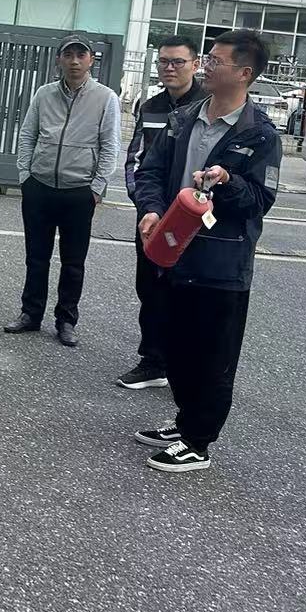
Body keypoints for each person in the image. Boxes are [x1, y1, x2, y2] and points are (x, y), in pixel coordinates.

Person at [132, 29, 281, 473]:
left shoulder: (260, 135)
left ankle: (198, 442)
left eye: (216, 61)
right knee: (174, 346)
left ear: (244, 73)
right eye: (208, 59)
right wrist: (152, 209)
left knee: (212, 356)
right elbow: (151, 171)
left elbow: (260, 201)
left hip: (221, 263)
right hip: (171, 251)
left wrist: (229, 182)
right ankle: (185, 421)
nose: (206, 67)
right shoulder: (184, 118)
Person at [4, 33, 121, 348]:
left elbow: (110, 145)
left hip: (79, 191)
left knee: (73, 262)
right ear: (59, 60)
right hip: (40, 187)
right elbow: (28, 134)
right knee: (36, 257)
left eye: (81, 55)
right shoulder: (44, 94)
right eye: (68, 55)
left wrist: (96, 187)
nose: (74, 61)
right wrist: (25, 175)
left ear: (91, 60)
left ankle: (66, 320)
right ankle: (31, 314)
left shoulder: (105, 98)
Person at [116, 35, 204, 389]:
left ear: (195, 65)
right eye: (163, 62)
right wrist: (146, 207)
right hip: (152, 218)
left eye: (177, 62)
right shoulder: (150, 107)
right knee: (150, 290)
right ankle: (153, 362)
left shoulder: (208, 106)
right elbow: (135, 161)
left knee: (190, 295)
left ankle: (185, 368)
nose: (169, 68)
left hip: (194, 221)